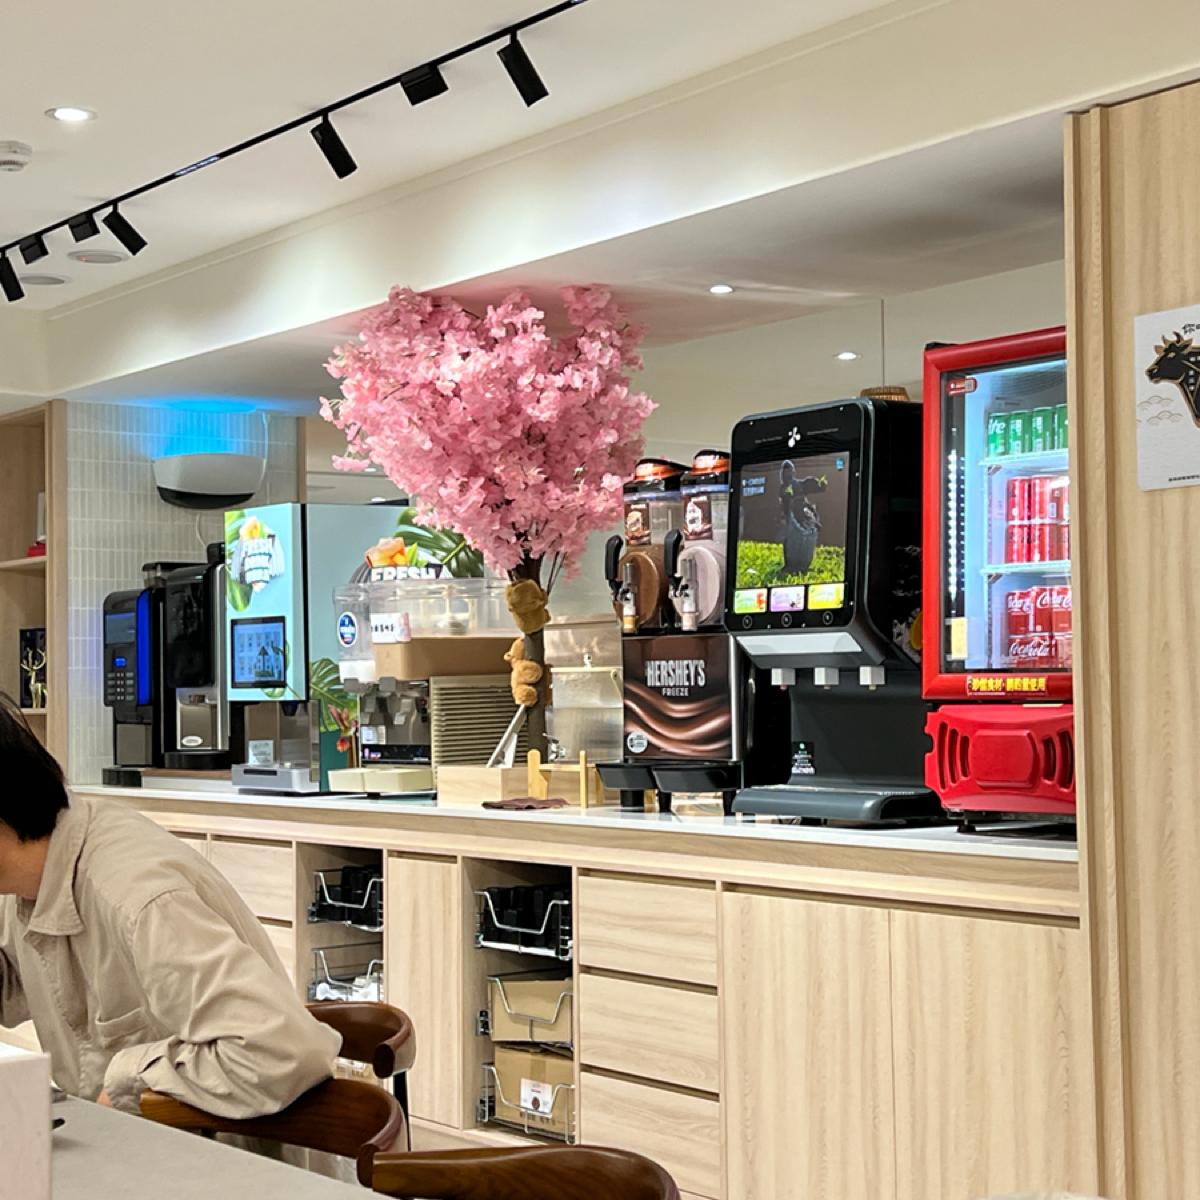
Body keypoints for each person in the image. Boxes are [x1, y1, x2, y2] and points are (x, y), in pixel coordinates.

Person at [0, 697, 340, 1117]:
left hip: (213, 1151)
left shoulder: (138, 898)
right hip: (119, 1141)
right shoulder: (26, 882)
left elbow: (283, 1052)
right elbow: (15, 984)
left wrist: (129, 1080)